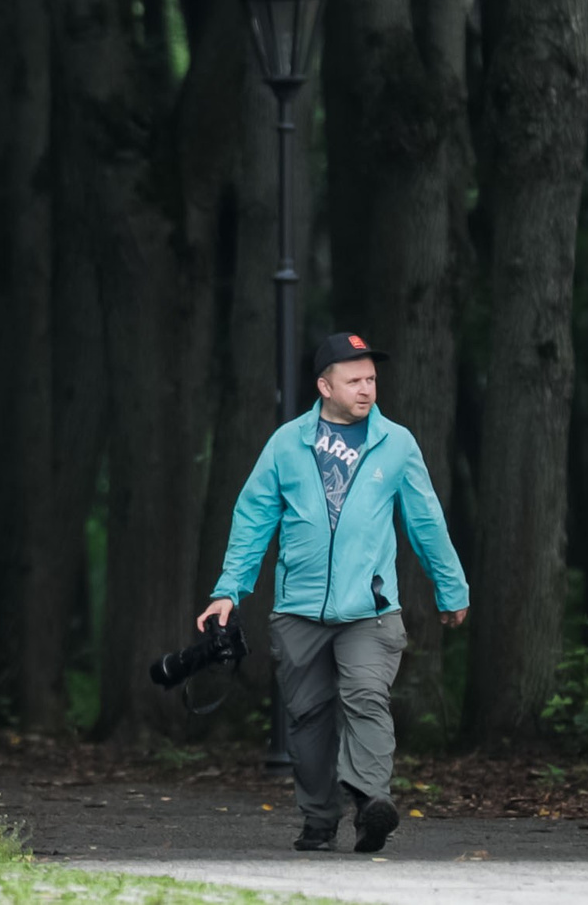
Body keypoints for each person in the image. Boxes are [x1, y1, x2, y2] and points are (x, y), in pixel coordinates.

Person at [198, 331, 469, 854]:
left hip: (369, 610)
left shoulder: (397, 444)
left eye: (371, 379)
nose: (366, 389)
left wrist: (450, 587)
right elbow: (253, 518)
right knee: (308, 719)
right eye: (354, 380)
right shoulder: (285, 443)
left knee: (366, 697)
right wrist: (228, 590)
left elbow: (426, 522)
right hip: (298, 611)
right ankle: (319, 820)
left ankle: (371, 803)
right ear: (325, 386)